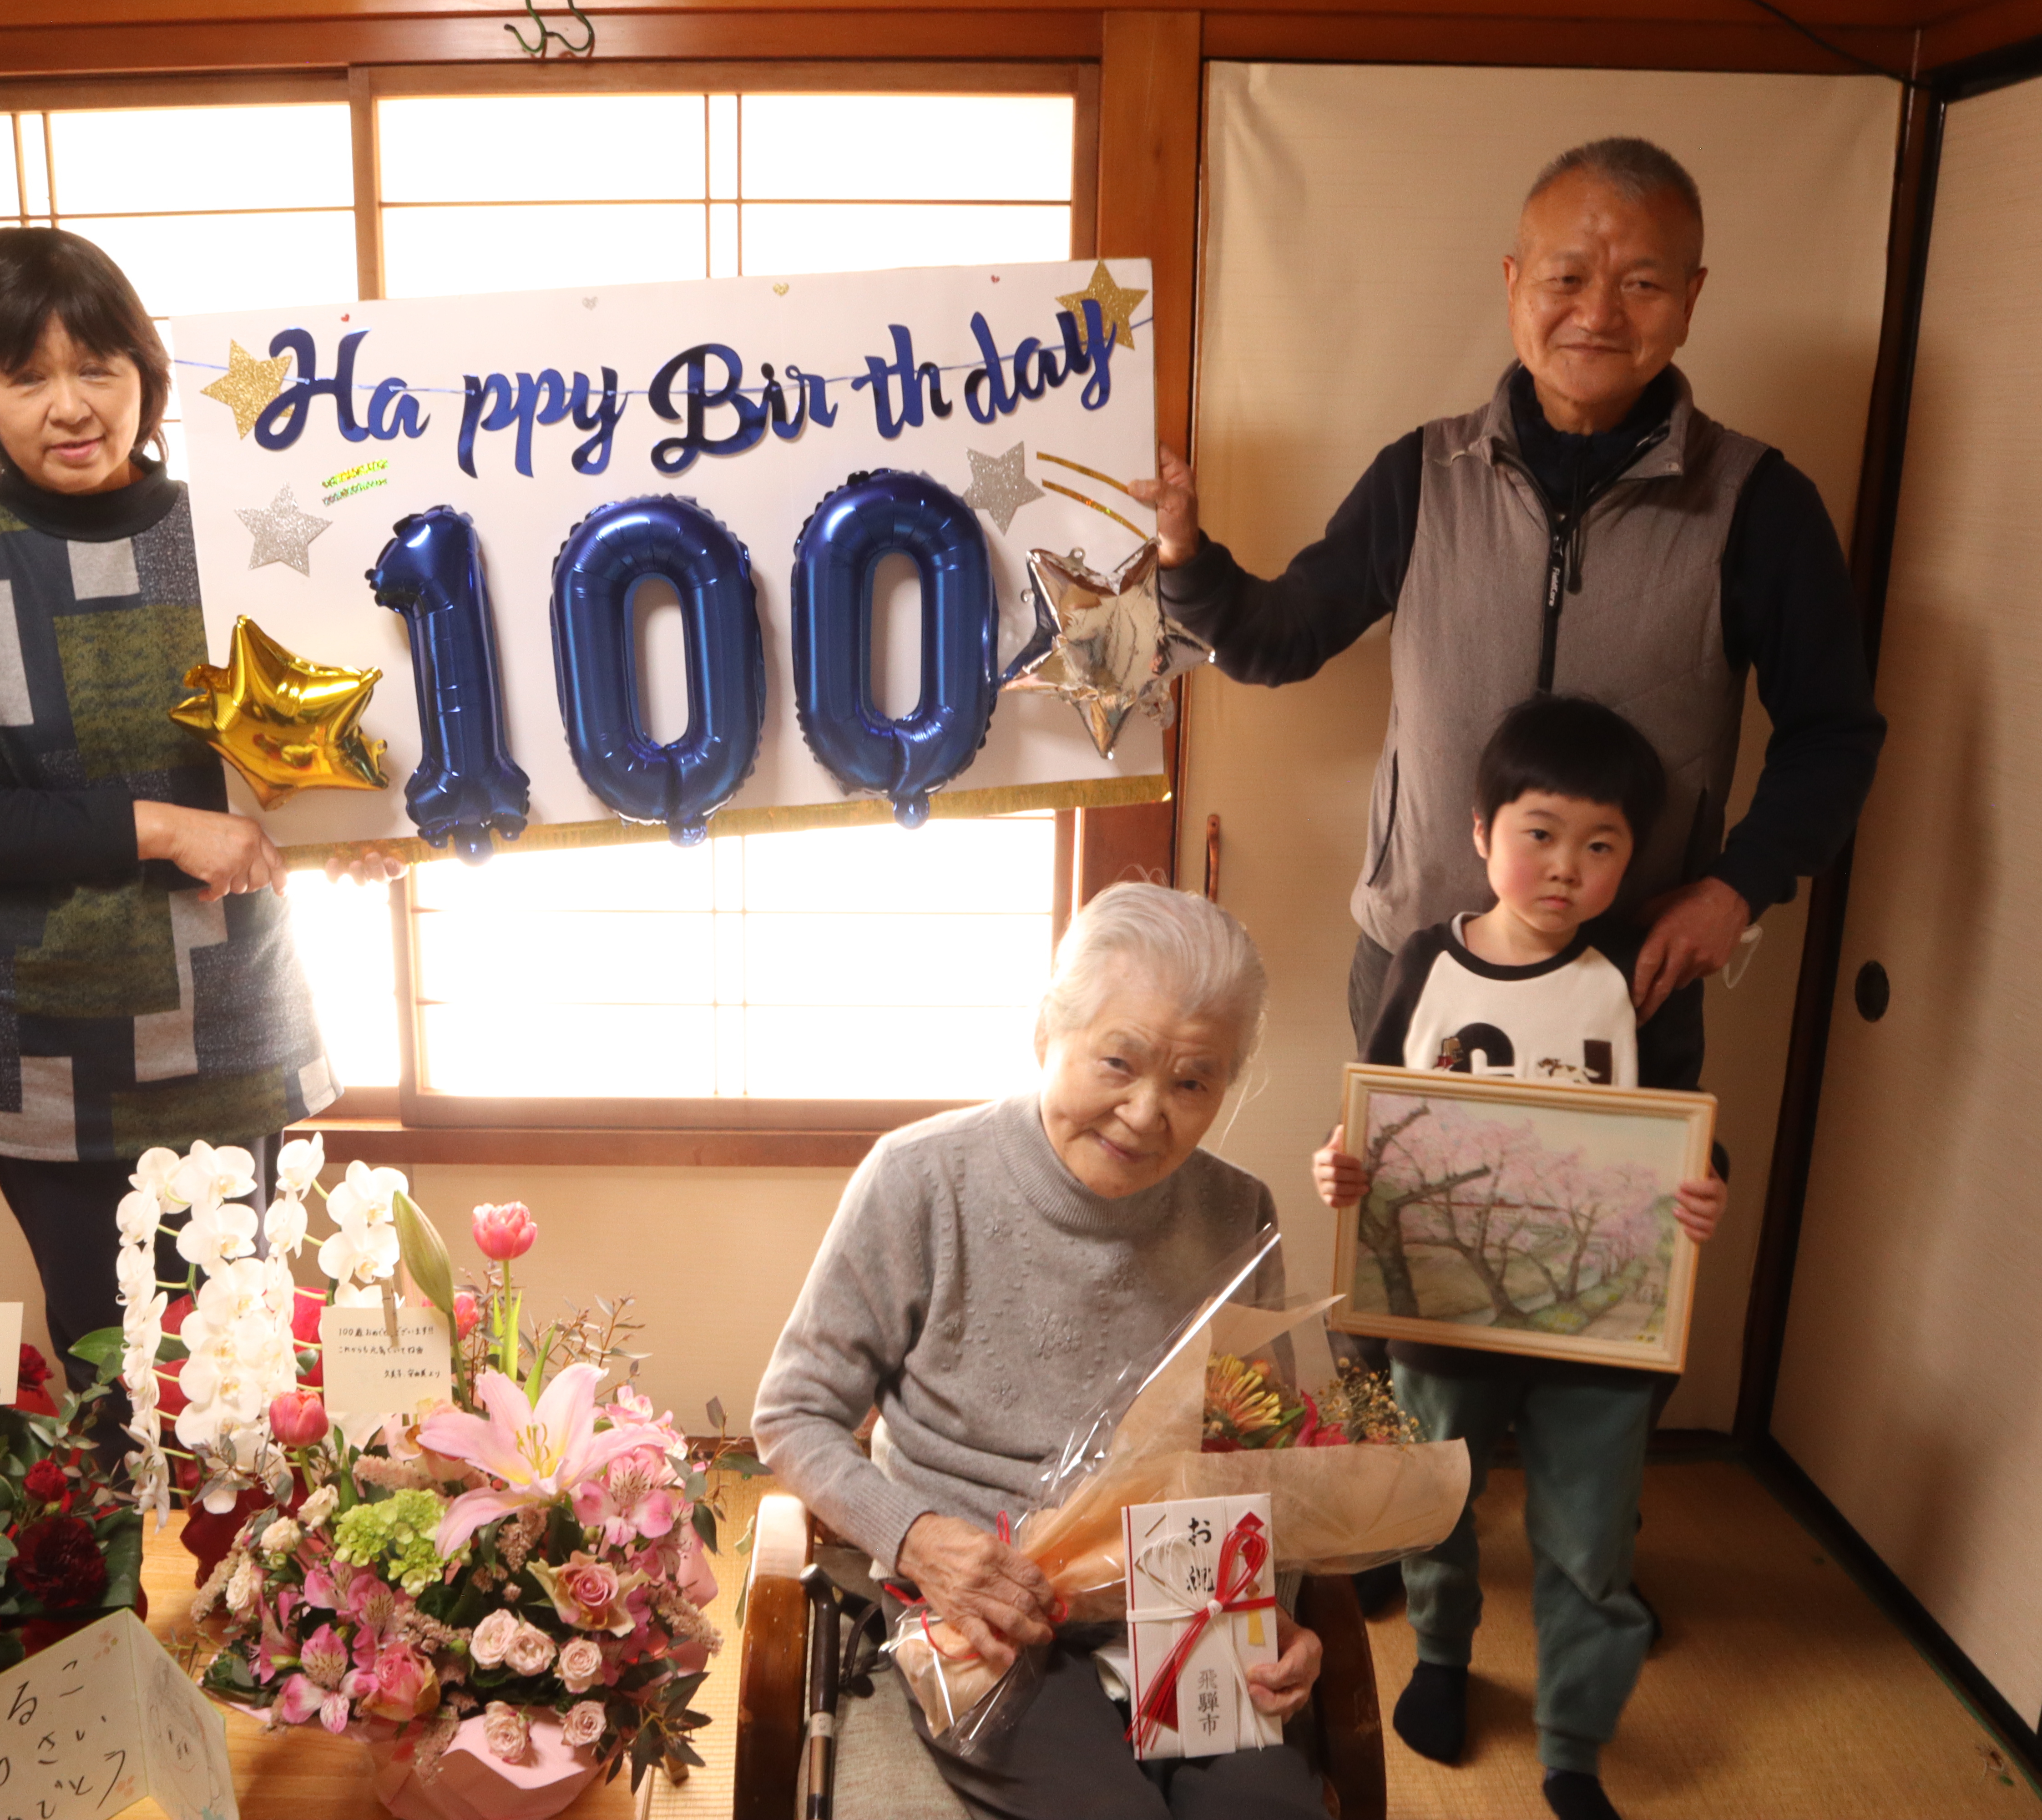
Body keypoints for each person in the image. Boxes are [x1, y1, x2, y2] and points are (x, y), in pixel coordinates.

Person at [1132, 135, 1885, 1061]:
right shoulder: (1421, 475)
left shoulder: (1758, 502)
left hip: (1629, 981)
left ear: (1690, 299)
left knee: (1610, 1213)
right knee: (1401, 1206)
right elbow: (1271, 640)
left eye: (1642, 284)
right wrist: (1181, 546)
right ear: (1514, 281)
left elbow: (1835, 734)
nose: (1598, 314)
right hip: (1419, 965)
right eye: (1567, 277)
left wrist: (1736, 888)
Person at [0, 227, 394, 1405]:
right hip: (46, 1041)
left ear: (147, 377)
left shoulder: (241, 530)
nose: (71, 405)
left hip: (227, 1012)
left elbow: (303, 734)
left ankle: (238, 1594)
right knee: (111, 1378)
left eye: (98, 367)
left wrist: (360, 820)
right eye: (27, 376)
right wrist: (162, 828)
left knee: (239, 1372)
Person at [754, 883, 1327, 1820]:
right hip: (983, 1601)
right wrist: (921, 1540)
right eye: (1118, 1061)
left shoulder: (1238, 1209)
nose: (1147, 1112)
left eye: (1193, 1081)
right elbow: (791, 1413)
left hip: (1182, 1594)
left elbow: (1263, 1448)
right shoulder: (921, 1177)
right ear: (1046, 1033)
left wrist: (1279, 1611)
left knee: (1272, 1811)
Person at [1313, 695, 1729, 1820]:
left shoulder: (1637, 976)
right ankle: (1444, 1657)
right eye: (1541, 833)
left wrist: (1703, 1184)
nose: (1568, 868)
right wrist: (1342, 1171)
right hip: (1446, 1296)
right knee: (1435, 1492)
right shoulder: (1422, 961)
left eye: (1603, 846)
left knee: (1592, 1531)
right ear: (1483, 832)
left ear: (1632, 859)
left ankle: (1573, 1744)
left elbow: (1684, 1130)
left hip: (1599, 1310)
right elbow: (1374, 1115)